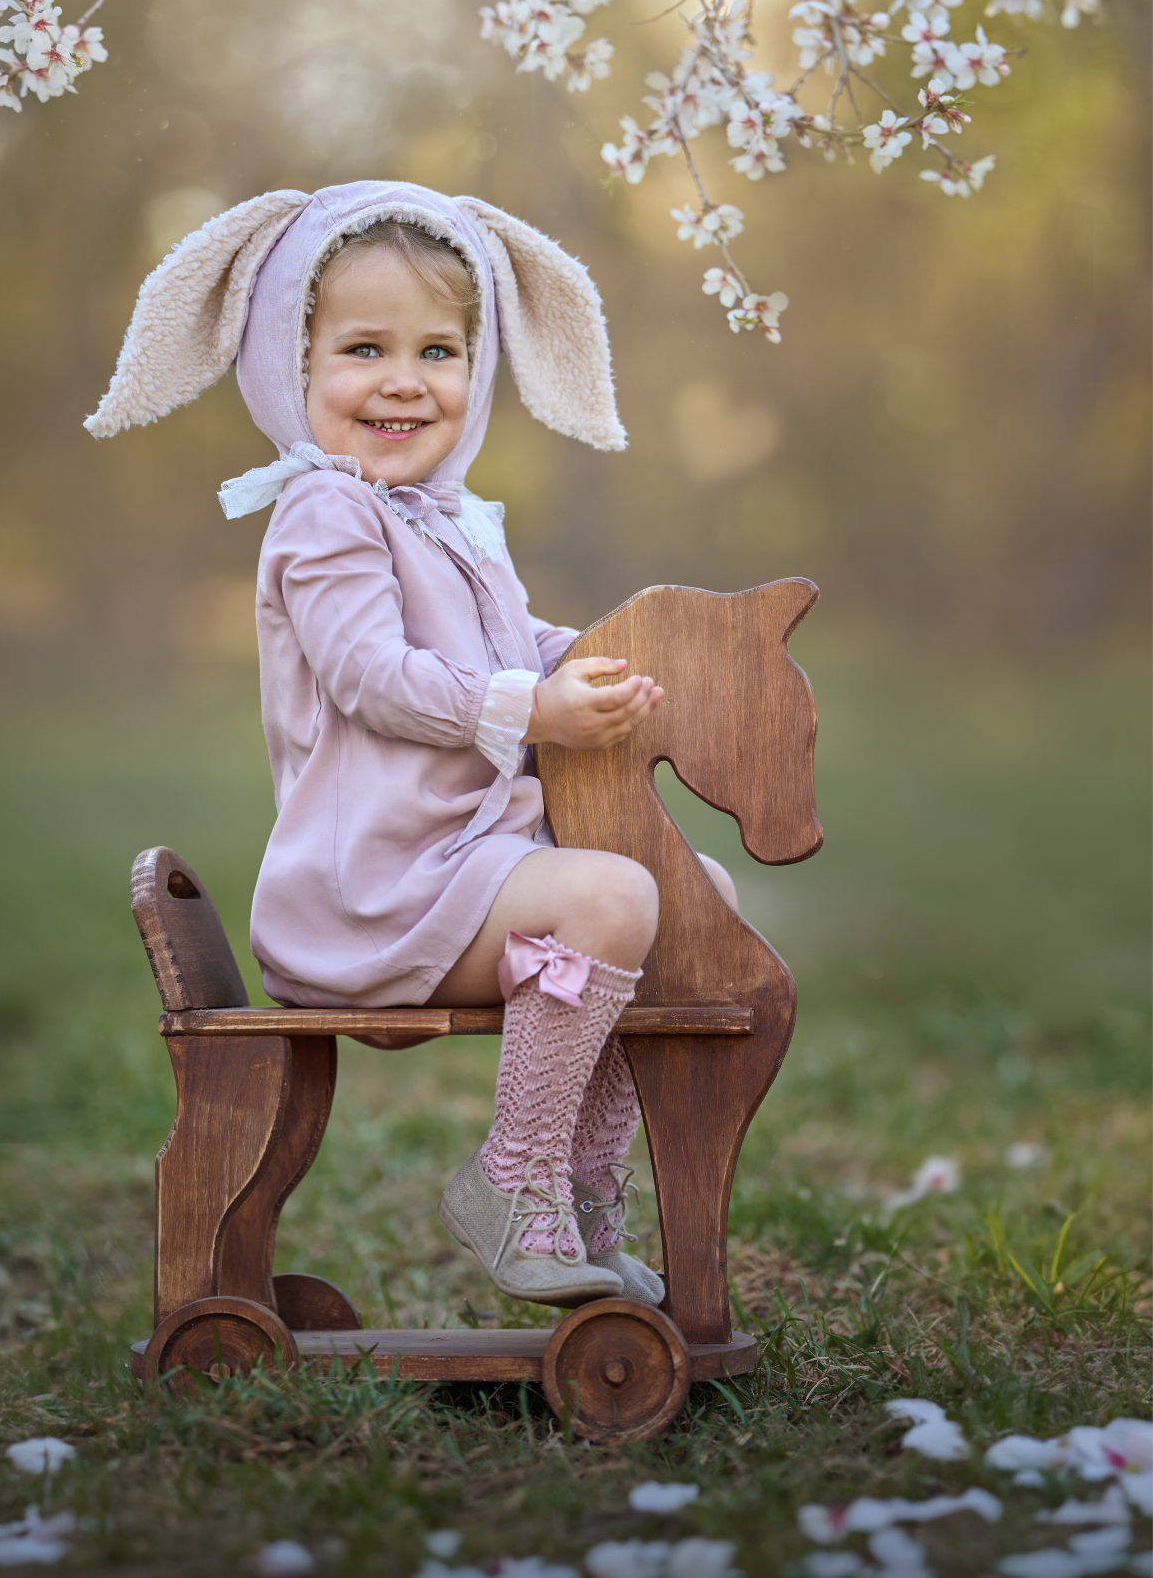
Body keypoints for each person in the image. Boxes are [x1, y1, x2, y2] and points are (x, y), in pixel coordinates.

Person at [86, 181, 737, 1312]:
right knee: (614, 901)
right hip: (368, 887)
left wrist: (599, 661)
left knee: (694, 899)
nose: (402, 379)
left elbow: (502, 642)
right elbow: (374, 678)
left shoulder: (452, 515)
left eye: (437, 348)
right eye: (361, 348)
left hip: (458, 865)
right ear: (288, 369)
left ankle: (583, 1190)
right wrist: (534, 712)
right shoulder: (323, 513)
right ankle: (510, 1176)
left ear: (477, 375)